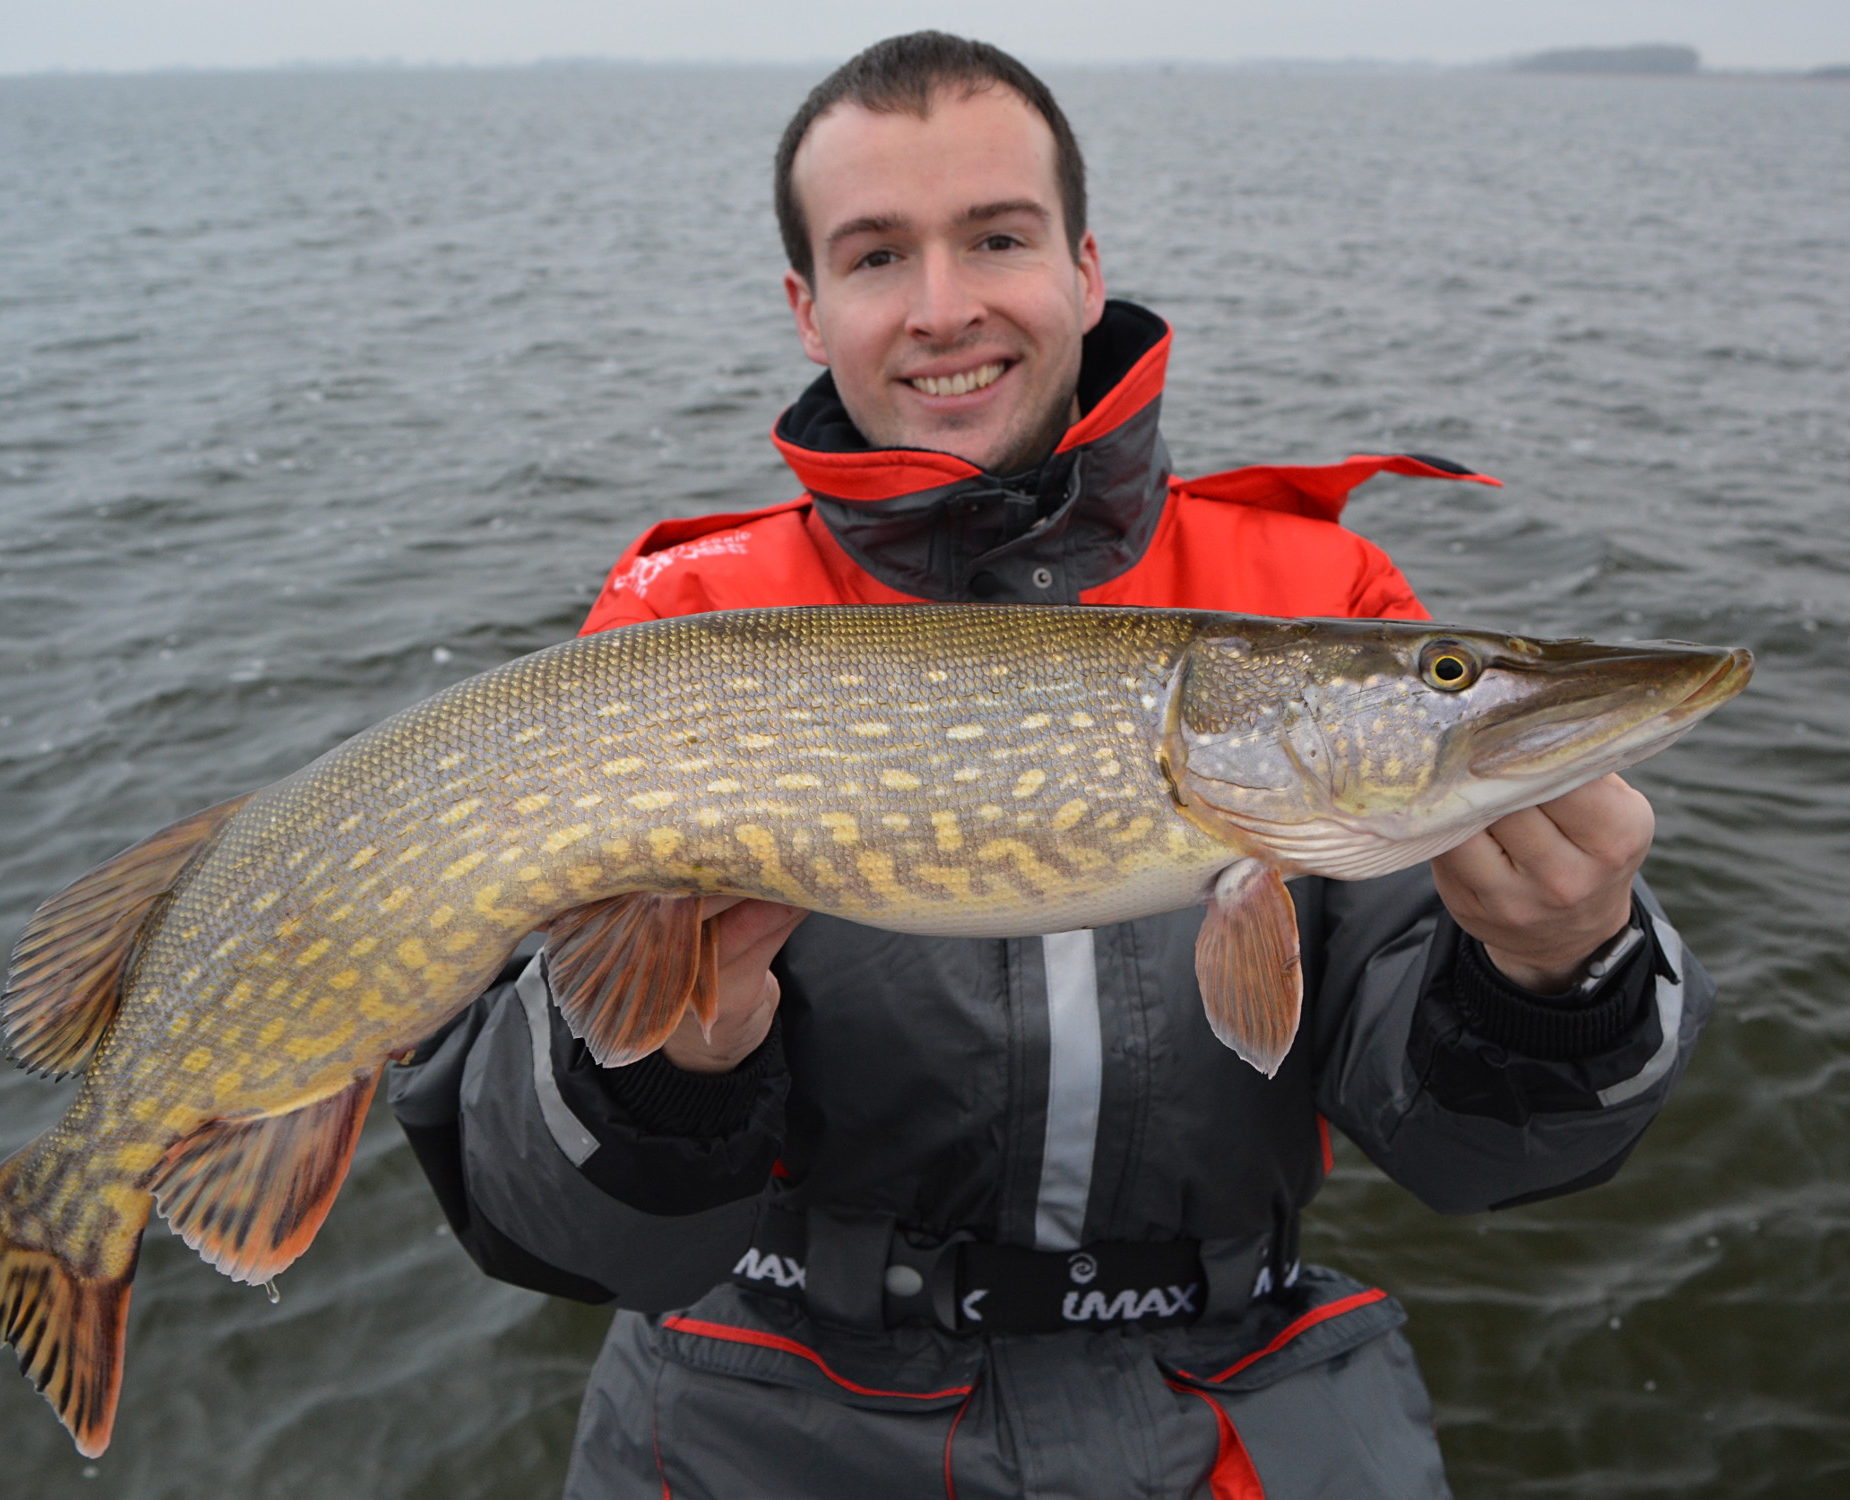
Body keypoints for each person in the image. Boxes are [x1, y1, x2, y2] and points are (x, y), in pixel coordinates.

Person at [391, 33, 1711, 1498]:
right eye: (878, 254)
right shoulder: (689, 627)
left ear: (1084, 268)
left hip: (1235, 1395)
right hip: (767, 1411)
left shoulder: (1316, 596)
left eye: (997, 237)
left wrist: (1560, 983)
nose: (944, 307)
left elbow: (1481, 1158)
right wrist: (663, 1059)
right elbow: (558, 1238)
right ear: (805, 307)